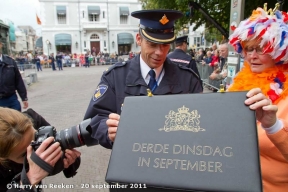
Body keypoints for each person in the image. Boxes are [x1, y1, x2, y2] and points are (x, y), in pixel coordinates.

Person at [84, 9, 203, 149]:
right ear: (139, 39)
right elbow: (94, 120)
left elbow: (202, 124)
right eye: (152, 44)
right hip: (130, 161)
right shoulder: (115, 76)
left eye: (165, 45)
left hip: (175, 161)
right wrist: (107, 130)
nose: (159, 52)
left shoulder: (188, 80)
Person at [228, 6, 288, 192]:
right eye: (248, 49)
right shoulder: (238, 84)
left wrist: (273, 126)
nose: (252, 56)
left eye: (261, 49)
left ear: (278, 51)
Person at [0, 107, 81, 192]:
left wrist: (64, 159)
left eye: (36, 139)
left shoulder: (32, 119)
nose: (36, 152)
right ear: (3, 158)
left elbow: (64, 146)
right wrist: (30, 180)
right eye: (25, 154)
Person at [0, 40, 28, 112]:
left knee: (17, 120)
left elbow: (18, 80)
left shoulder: (10, 62)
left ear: (0, 45)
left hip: (11, 98)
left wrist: (24, 98)